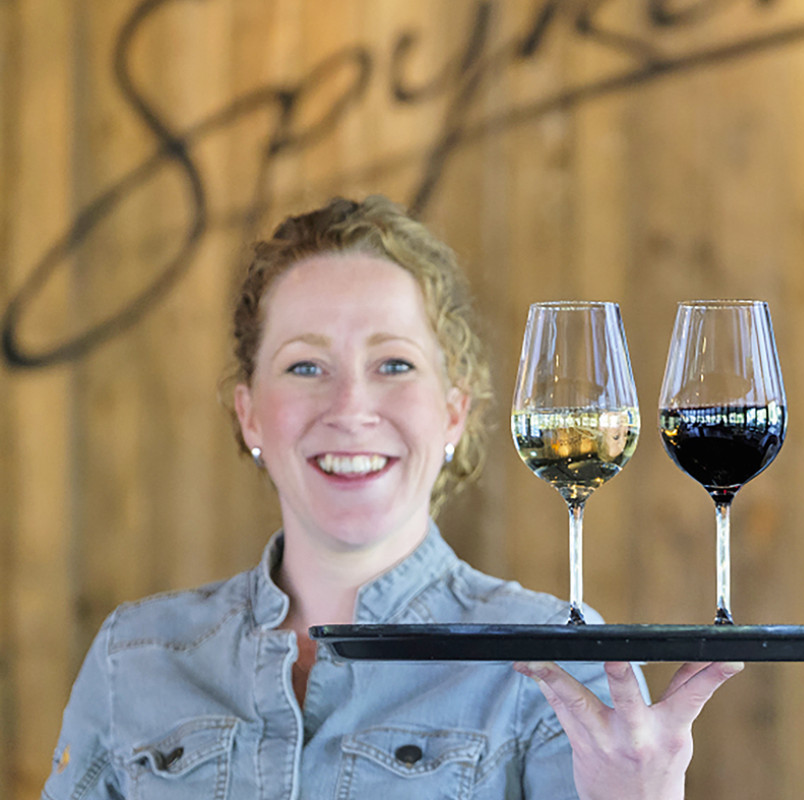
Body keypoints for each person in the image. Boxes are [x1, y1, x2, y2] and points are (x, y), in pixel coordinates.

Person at [43, 195, 741, 800]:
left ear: (453, 412)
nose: (350, 405)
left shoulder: (560, 664)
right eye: (305, 365)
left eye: (394, 364)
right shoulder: (133, 655)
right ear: (250, 412)